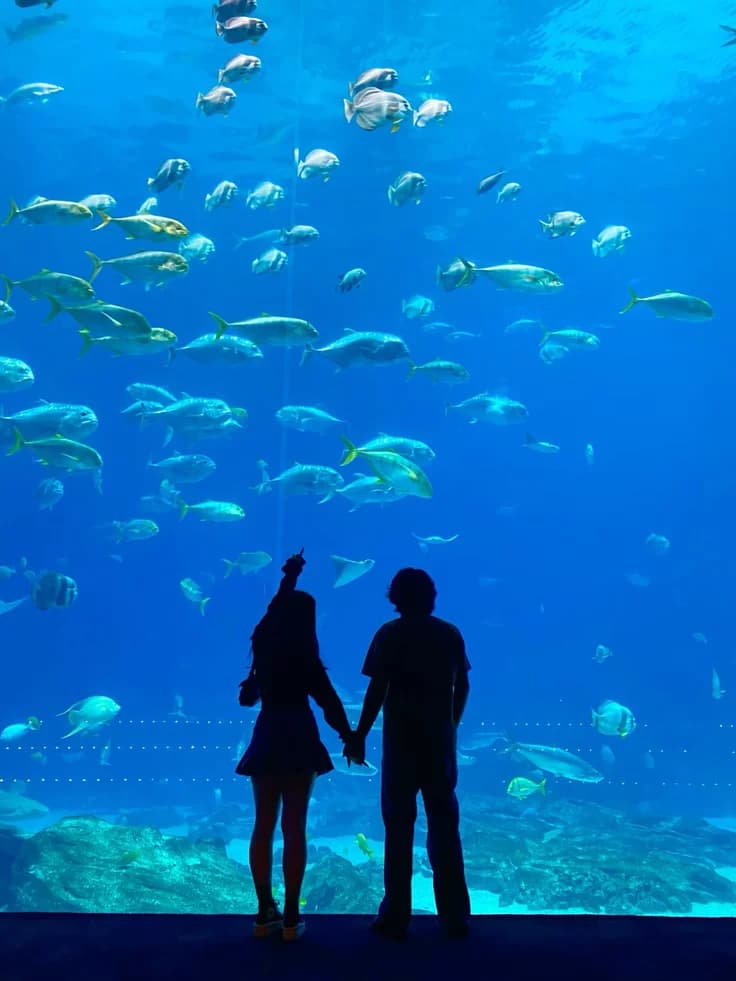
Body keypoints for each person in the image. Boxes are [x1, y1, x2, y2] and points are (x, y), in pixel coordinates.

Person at [344, 568, 471, 940]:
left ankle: (396, 914)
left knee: (398, 828)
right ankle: (454, 915)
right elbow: (462, 683)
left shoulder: (389, 635)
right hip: (439, 745)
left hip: (400, 746)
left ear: (394, 598)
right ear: (431, 596)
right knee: (445, 826)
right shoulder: (449, 634)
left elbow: (377, 689)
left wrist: (359, 734)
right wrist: (452, 724)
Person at [236, 549, 353, 941]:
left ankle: (262, 910)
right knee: (295, 827)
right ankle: (290, 916)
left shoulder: (264, 648)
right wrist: (349, 736)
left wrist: (291, 573)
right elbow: (329, 701)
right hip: (299, 735)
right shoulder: (304, 656)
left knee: (262, 825)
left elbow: (275, 608)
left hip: (268, 733)